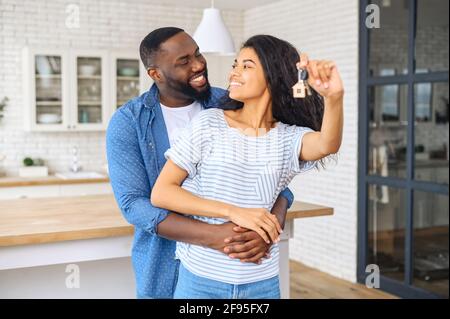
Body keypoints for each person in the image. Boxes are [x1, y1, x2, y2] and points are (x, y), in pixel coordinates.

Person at [106, 27, 295, 299]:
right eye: (183, 61)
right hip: (164, 262)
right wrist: (215, 235)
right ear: (155, 73)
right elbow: (134, 204)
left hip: (236, 264)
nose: (198, 65)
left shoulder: (229, 102)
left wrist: (269, 226)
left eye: (198, 54)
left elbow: (279, 175)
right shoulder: (128, 122)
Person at [151, 34, 344, 299]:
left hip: (261, 282)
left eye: (246, 66)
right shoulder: (210, 124)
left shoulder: (287, 137)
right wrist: (234, 212)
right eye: (235, 65)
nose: (234, 73)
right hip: (201, 280)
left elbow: (326, 144)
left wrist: (335, 98)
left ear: (273, 75)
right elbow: (162, 192)